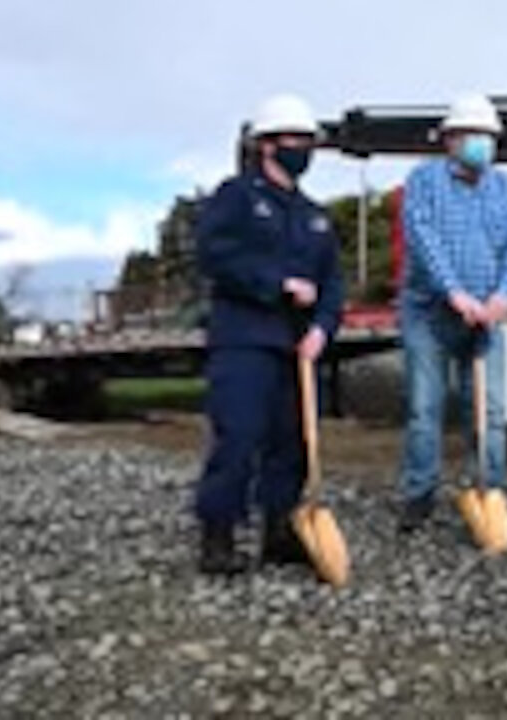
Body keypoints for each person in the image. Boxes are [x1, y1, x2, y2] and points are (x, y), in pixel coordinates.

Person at [194, 94, 345, 574]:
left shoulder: (314, 215)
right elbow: (214, 255)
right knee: (238, 435)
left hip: (297, 347)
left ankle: (279, 530)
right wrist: (275, 283)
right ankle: (218, 534)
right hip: (244, 338)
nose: (303, 148)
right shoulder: (236, 197)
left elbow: (333, 282)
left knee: (293, 442)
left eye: (308, 140)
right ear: (266, 145)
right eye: (294, 139)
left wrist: (323, 327)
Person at [397, 94, 507, 532]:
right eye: (473, 135)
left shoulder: (505, 188)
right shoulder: (424, 181)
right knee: (425, 408)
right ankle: (419, 493)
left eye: (488, 136)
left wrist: (502, 294)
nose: (482, 143)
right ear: (450, 139)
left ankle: (488, 487)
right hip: (430, 315)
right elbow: (422, 237)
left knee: (489, 411)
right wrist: (453, 291)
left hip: (485, 316)